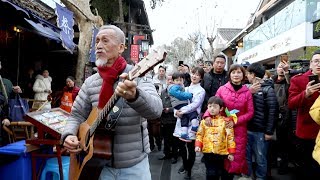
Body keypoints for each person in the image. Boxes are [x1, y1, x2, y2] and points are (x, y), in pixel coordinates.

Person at [62, 25, 162, 180]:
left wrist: (135, 96)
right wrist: (68, 134)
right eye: (97, 41)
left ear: (121, 47)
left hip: (134, 167)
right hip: (98, 167)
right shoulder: (90, 82)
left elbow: (156, 110)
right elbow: (76, 115)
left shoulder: (138, 76)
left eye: (105, 41)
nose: (99, 45)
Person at [203, 64, 254, 179]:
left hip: (238, 131)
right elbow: (213, 104)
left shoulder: (247, 92)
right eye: (233, 72)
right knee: (216, 163)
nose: (236, 75)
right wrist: (207, 116)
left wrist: (235, 121)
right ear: (229, 74)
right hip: (220, 129)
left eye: (239, 72)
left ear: (243, 75)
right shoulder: (222, 89)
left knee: (231, 164)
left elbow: (250, 113)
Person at [288, 50, 320, 179]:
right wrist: (305, 94)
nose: (319, 64)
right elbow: (291, 104)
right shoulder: (299, 80)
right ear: (311, 64)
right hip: (307, 132)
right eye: (316, 61)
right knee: (307, 168)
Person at [245, 63, 278, 180]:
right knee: (246, 158)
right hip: (246, 129)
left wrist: (269, 132)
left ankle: (260, 178)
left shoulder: (268, 89)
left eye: (248, 73)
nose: (246, 75)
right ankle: (248, 177)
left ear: (252, 75)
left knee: (260, 159)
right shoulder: (246, 88)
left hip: (261, 132)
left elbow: (273, 112)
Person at [173, 67, 205, 179]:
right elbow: (176, 102)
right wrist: (176, 112)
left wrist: (182, 111)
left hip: (192, 121)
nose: (194, 76)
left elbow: (195, 105)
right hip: (181, 120)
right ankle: (185, 164)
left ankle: (189, 170)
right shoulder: (184, 88)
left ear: (201, 77)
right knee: (181, 146)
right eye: (193, 73)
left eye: (197, 75)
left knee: (191, 148)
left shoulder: (201, 91)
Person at [195, 96, 235, 180]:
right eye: (210, 106)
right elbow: (199, 134)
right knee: (210, 173)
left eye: (215, 106)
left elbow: (230, 137)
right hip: (208, 152)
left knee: (220, 172)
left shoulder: (225, 122)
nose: (212, 109)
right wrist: (198, 145)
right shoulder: (204, 122)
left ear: (221, 109)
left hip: (221, 153)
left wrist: (231, 152)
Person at [168, 72, 198, 142]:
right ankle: (195, 127)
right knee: (192, 113)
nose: (179, 82)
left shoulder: (182, 87)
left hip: (179, 105)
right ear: (173, 81)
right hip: (180, 104)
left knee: (184, 118)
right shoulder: (173, 87)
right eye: (177, 80)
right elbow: (180, 95)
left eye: (180, 80)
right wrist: (189, 95)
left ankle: (184, 134)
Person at [158, 73, 178, 164]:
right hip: (164, 119)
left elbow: (179, 107)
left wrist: (169, 109)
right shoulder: (163, 91)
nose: (170, 81)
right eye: (168, 79)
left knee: (174, 139)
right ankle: (166, 154)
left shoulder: (178, 92)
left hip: (173, 119)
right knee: (165, 139)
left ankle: (175, 156)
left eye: (171, 80)